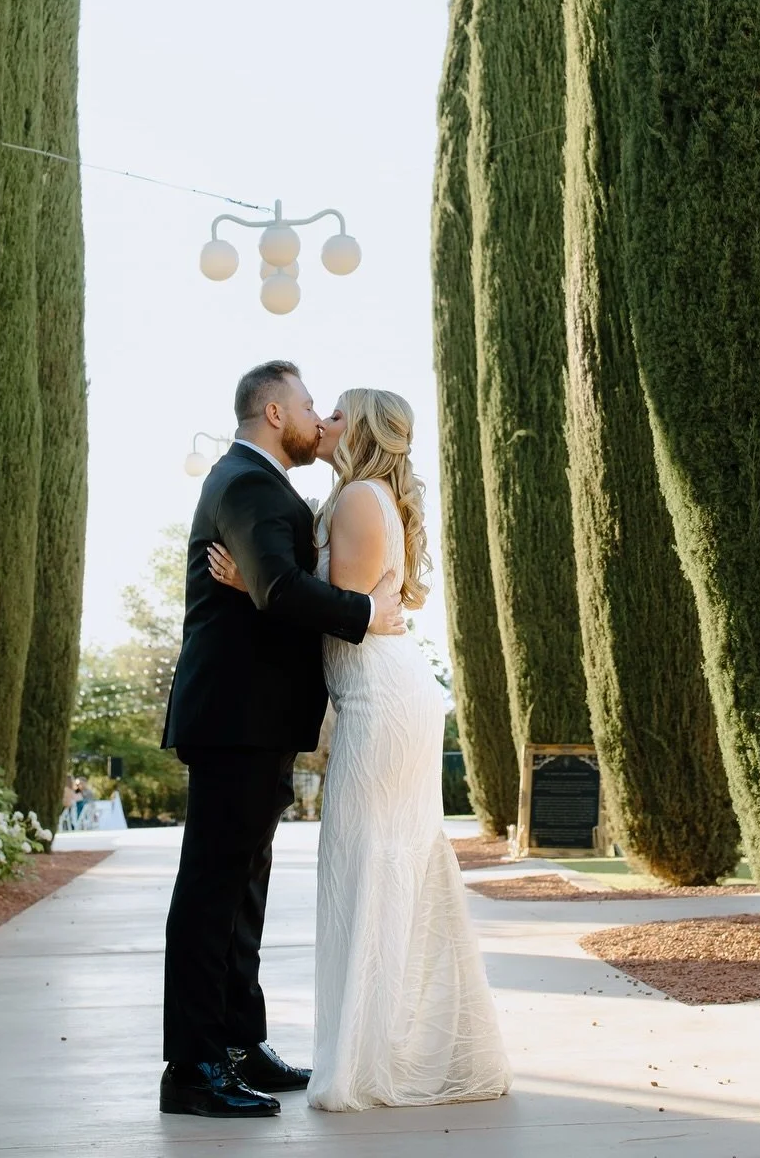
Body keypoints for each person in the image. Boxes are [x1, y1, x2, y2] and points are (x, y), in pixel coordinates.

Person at [210, 387, 511, 1111]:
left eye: (338, 413)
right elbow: (358, 607)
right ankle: (398, 1049)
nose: (326, 422)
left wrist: (256, 584)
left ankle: (374, 1062)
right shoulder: (368, 496)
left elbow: (346, 618)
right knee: (385, 861)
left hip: (381, 700)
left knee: (366, 860)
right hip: (385, 695)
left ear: (363, 430)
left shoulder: (356, 500)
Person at [159, 360, 407, 1119]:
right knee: (212, 890)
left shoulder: (261, 485)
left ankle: (240, 1044)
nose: (314, 415)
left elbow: (269, 584)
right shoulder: (246, 484)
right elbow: (277, 589)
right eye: (306, 403)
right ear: (273, 412)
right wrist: (369, 615)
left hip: (255, 720)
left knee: (243, 890)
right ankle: (193, 1068)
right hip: (234, 718)